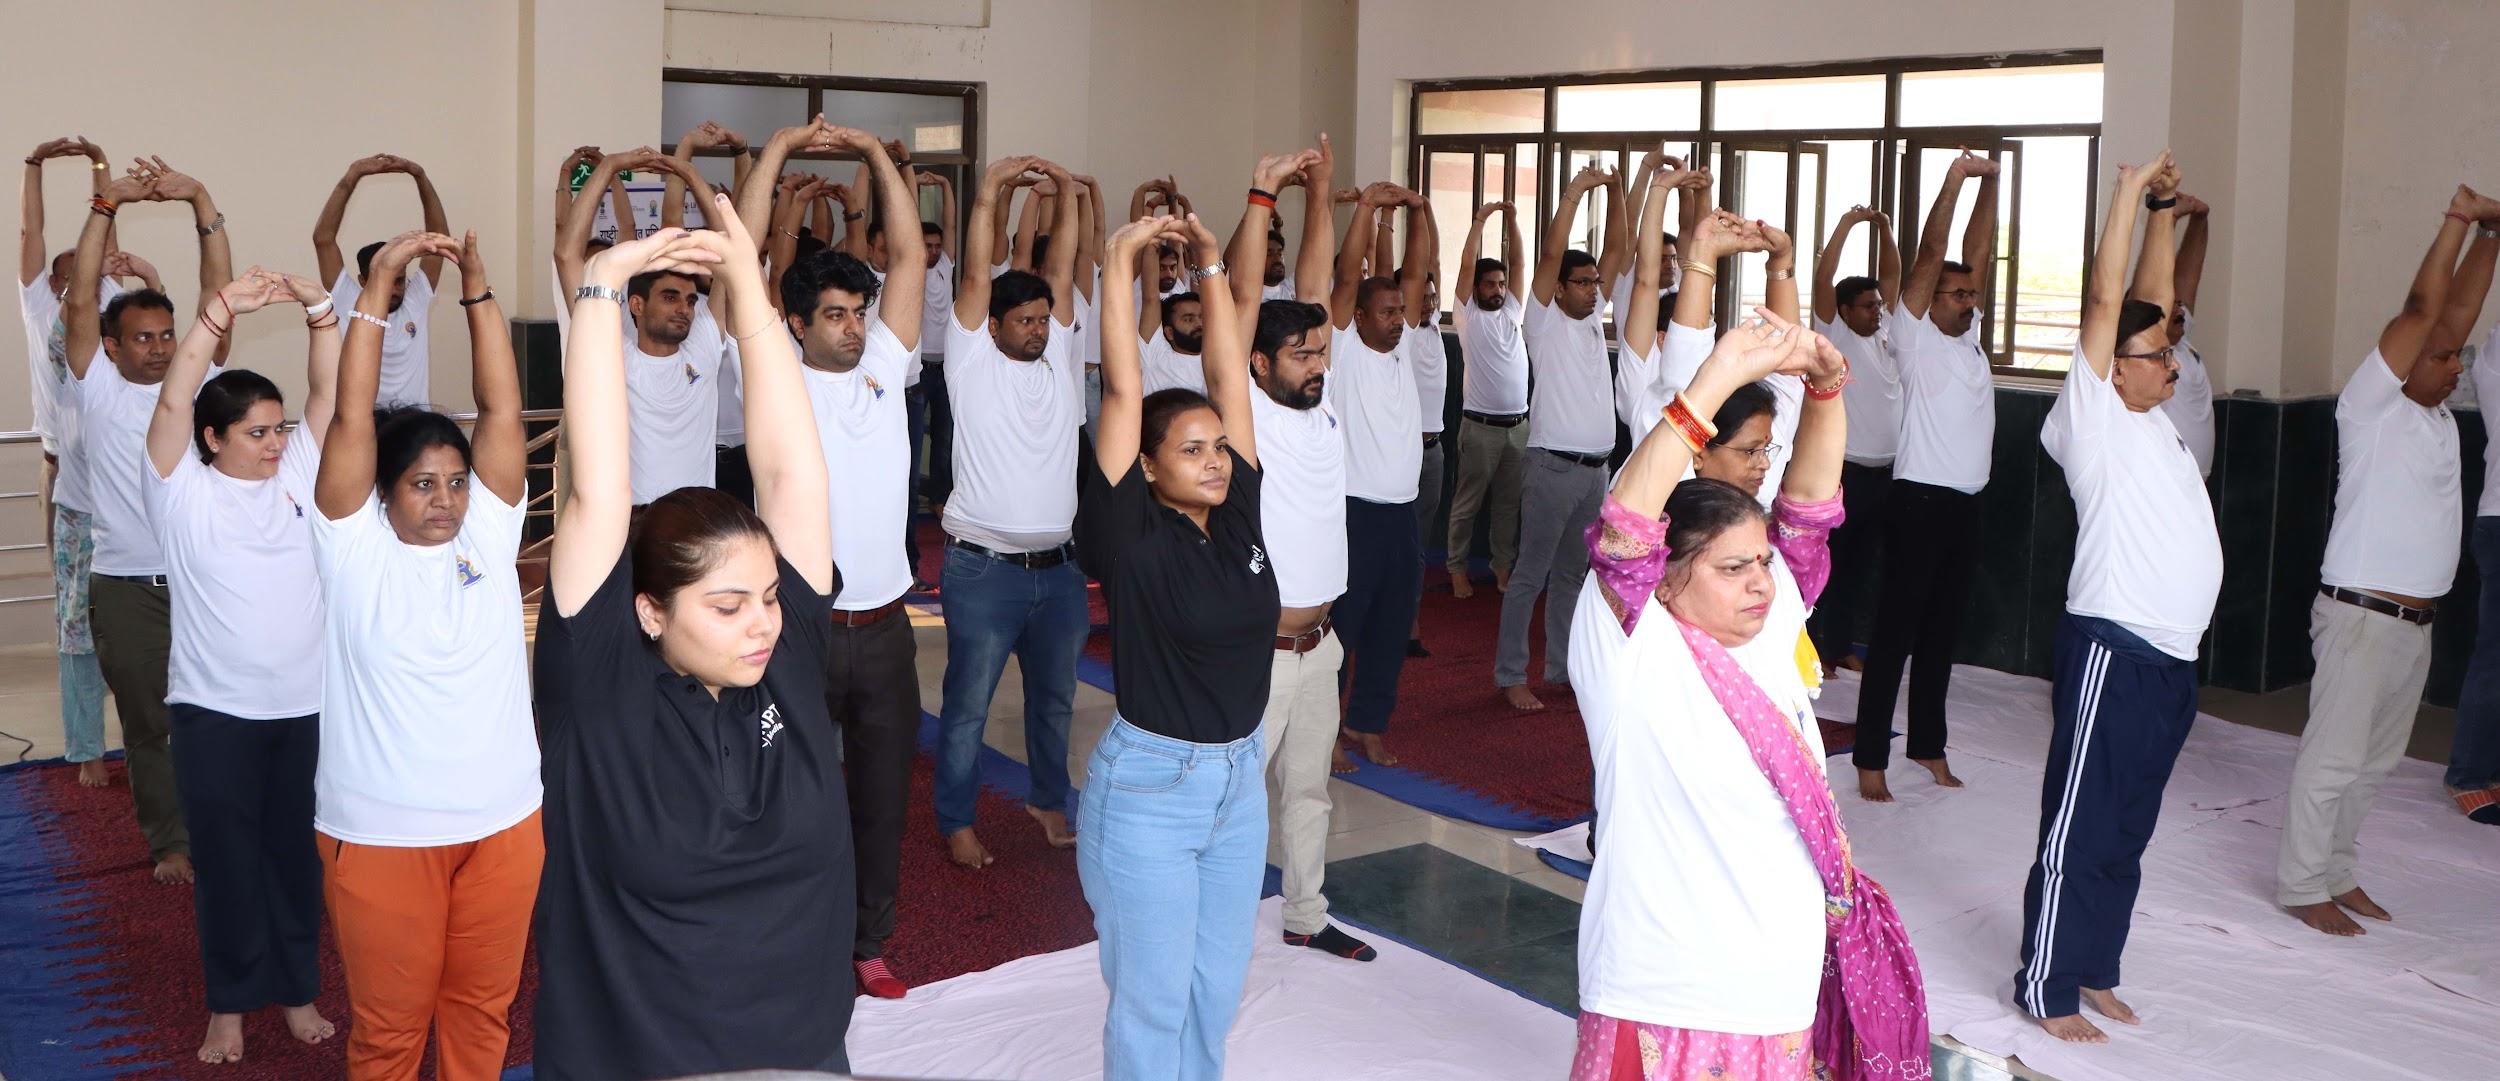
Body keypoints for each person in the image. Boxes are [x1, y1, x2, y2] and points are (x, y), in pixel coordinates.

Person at [533, 191, 860, 1077]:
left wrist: (748, 289)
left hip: (801, 1054)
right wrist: (601, 287)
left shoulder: (782, 661)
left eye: (768, 597)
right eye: (726, 607)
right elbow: (599, 489)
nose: (762, 623)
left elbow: (793, 470)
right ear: (649, 612)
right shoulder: (599, 685)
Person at [1568, 302, 1926, 1081]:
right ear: (1661, 579)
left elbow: (1809, 511)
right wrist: (1721, 373)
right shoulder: (1634, 645)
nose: (1763, 582)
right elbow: (1626, 519)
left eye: (1762, 561)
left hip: (1777, 995)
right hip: (1667, 996)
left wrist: (1828, 389)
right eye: (1733, 569)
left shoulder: (1774, 611)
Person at [312, 230, 540, 1081]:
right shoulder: (350, 545)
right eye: (422, 483)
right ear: (381, 491)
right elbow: (348, 414)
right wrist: (374, 289)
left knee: (482, 1017)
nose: (446, 498)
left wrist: (478, 291)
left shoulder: (485, 527)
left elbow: (504, 412)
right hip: (383, 833)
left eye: (455, 480)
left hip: (505, 823)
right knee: (389, 1032)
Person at [2019, 151, 2225, 1042]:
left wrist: (2169, 213)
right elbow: (2109, 306)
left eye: (2173, 348)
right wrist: (2128, 194)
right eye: (2157, 354)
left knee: (2128, 825)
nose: (2171, 360)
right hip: (2113, 645)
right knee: (2081, 821)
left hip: (2171, 662)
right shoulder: (2092, 419)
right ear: (2115, 369)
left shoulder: (2158, 420)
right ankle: (2046, 985)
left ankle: (2095, 966)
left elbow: (2148, 302)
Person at [1074, 209, 1269, 1081]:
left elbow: (1230, 373)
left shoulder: (1236, 519)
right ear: (1148, 467)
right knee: (1152, 999)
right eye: (1191, 451)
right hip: (1152, 786)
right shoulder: (1129, 534)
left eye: (1219, 447)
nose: (1216, 460)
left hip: (1240, 780)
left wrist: (1215, 272)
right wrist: (1121, 262)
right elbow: (1121, 390)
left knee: (1216, 990)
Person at [2279, 184, 2500, 938]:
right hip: (2361, 616)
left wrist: (2495, 237)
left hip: (2412, 621)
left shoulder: (2435, 417)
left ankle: (2337, 870)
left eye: (2456, 359)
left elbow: (2456, 315)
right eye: (2439, 358)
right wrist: (2456, 222)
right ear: (2399, 362)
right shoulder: (2370, 407)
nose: (2454, 366)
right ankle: (2303, 881)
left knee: (2374, 763)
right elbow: (2421, 308)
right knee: (2334, 758)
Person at [144, 266, 342, 1064]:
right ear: (212, 438)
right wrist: (218, 311)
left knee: (296, 857)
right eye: (256, 431)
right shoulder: (180, 492)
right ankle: (228, 1004)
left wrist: (322, 310)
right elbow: (170, 397)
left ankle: (297, 992)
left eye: (277, 428)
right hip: (215, 712)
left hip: (305, 708)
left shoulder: (296, 475)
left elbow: (327, 396)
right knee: (227, 863)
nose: (275, 442)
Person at [770, 125, 927, 1000]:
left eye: (859, 313)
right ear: (795, 322)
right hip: (794, 634)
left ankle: (870, 938)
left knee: (878, 794)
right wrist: (780, 156)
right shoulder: (771, 375)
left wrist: (878, 155)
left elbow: (905, 255)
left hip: (886, 632)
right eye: (834, 314)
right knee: (782, 786)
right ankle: (789, 930)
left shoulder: (887, 367)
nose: (854, 327)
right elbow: (750, 261)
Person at [1218, 139, 1376, 962]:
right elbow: (1249, 293)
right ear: (1257, 365)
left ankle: (1306, 913)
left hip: (1322, 642)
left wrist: (1321, 192)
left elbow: (1311, 286)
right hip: (1266, 648)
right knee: (1238, 797)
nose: (1318, 365)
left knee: (1308, 790)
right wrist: (1260, 193)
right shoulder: (1249, 410)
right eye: (1301, 356)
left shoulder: (1319, 403)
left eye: (1320, 353)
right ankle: (1219, 924)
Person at [61, 154, 234, 885]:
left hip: (203, 575)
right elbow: (76, 304)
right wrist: (108, 203)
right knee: (148, 721)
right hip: (125, 582)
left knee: (220, 712)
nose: (161, 347)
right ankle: (172, 842)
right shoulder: (95, 385)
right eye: (143, 338)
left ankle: (229, 825)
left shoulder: (196, 377)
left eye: (167, 336)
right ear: (109, 346)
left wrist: (200, 198)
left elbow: (217, 294)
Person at [933, 153, 1090, 868]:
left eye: (1040, 319)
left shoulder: (1058, 355)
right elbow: (973, 275)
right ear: (990, 326)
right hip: (983, 569)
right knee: (967, 706)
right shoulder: (971, 361)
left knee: (1055, 701)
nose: (1036, 328)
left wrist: (1063, 192)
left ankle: (1048, 798)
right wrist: (992, 190)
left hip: (1058, 571)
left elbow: (1061, 273)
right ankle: (956, 818)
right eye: (1022, 320)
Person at [1853, 150, 1999, 802]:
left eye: (1973, 293)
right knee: (1896, 632)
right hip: (1917, 501)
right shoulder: (1912, 336)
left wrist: (1993, 187)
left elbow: (1979, 248)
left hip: (1966, 506)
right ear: (1930, 299)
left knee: (1941, 633)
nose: (1971, 302)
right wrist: (1954, 182)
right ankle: (1868, 757)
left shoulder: (1968, 337)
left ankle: (1929, 745)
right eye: (1958, 293)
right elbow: (1933, 250)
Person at [1496, 163, 1619, 712]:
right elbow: (1548, 257)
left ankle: (1562, 667)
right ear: (1560, 288)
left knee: (1574, 574)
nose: (1594, 290)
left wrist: (1619, 191)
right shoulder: (1542, 322)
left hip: (1596, 471)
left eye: (1596, 283)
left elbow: (1619, 249)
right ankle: (1511, 674)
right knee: (1531, 575)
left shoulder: (1593, 317)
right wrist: (1573, 195)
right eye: (1583, 282)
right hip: (1552, 467)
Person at [19, 134, 119, 790]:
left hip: (119, 481)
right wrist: (34, 164)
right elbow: (33, 229)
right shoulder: (38, 307)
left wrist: (102, 166)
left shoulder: (108, 304)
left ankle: (146, 743)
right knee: (74, 626)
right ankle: (86, 750)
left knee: (136, 616)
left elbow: (107, 230)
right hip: (66, 480)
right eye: (69, 272)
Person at [1324, 181, 1434, 772]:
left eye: (1400, 312)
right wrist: (1366, 210)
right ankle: (1326, 733)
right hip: (1354, 511)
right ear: (1359, 316)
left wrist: (1419, 211)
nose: (1398, 319)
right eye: (1386, 312)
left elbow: (1416, 276)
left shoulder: (1401, 346)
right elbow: (1345, 277)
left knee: (1392, 631)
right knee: (1343, 627)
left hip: (1401, 514)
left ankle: (1368, 725)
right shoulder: (1342, 347)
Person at [1803, 205, 1902, 672]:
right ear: (1843, 311)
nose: (1877, 311)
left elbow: (1895, 280)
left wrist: (1883, 228)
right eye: (1868, 305)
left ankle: (1841, 647)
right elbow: (1825, 278)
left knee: (1861, 571)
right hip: (1847, 473)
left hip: (1886, 475)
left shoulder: (1885, 334)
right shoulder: (1835, 331)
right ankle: (1816, 649)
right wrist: (1846, 224)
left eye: (1878, 305)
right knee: (1831, 567)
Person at [310, 153, 448, 407]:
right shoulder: (347, 299)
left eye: (399, 280)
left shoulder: (414, 299)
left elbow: (439, 240)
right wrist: (353, 175)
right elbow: (323, 240)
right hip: (364, 427)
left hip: (414, 429)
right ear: (363, 280)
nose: (395, 289)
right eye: (386, 280)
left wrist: (421, 177)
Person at [1446, 200, 1528, 600]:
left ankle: (1501, 566)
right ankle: (1456, 569)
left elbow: (1519, 262)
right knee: (1467, 504)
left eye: (1501, 283)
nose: (1497, 289)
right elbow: (1464, 265)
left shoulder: (1512, 311)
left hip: (1519, 428)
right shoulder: (1467, 317)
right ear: (1476, 288)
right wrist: (1480, 220)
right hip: (1479, 428)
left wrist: (1512, 220)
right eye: (1489, 284)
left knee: (1508, 507)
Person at [2161, 195, 2216, 478]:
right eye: (2171, 305)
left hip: (2191, 489)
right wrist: (2165, 217)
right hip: (2161, 487)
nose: (2180, 306)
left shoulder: (2182, 345)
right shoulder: (2149, 356)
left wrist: (2199, 219)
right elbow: (2151, 280)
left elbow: (2187, 276)